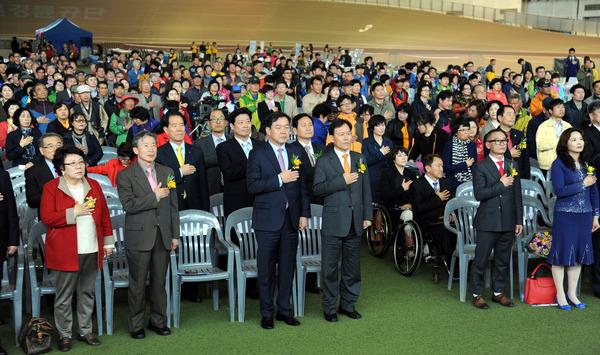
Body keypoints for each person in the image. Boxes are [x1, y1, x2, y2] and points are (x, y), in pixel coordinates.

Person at [40, 146, 113, 351]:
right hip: (65, 250)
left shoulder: (94, 185)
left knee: (87, 292)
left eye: (81, 162)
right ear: (62, 168)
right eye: (73, 164)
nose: (79, 167)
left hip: (91, 247)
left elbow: (105, 216)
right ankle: (64, 334)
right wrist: (74, 212)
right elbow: (47, 217)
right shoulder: (51, 187)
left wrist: (108, 242)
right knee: (64, 296)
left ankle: (85, 330)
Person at [246, 112, 310, 329]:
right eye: (279, 127)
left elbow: (302, 186)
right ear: (268, 131)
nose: (284, 131)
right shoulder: (257, 153)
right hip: (267, 220)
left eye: (286, 127)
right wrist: (278, 180)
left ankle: (284, 310)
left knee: (287, 268)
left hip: (291, 220)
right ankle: (267, 313)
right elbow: (252, 186)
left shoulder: (294, 150)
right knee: (265, 270)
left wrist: (303, 213)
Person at [116, 131, 179, 339]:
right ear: (135, 150)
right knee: (138, 283)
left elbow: (172, 206)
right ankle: (136, 325)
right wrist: (154, 197)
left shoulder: (167, 171)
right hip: (139, 237)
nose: (151, 149)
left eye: (153, 145)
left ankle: (158, 321)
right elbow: (129, 205)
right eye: (146, 145)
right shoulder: (125, 175)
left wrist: (174, 234)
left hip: (163, 235)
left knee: (160, 282)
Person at [313, 119, 373, 322]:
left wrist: (367, 216)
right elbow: (318, 189)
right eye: (341, 134)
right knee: (330, 268)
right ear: (332, 137)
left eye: (348, 133)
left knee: (352, 268)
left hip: (356, 221)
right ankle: (329, 308)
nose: (346, 137)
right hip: (333, 222)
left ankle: (348, 304)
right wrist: (341, 181)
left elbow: (366, 189)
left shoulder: (359, 157)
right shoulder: (324, 160)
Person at [471, 129, 523, 309]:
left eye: (504, 140)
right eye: (497, 140)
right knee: (481, 259)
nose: (502, 143)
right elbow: (480, 194)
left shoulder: (512, 164)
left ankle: (498, 292)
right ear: (487, 145)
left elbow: (517, 195)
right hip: (487, 221)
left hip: (508, 220)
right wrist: (501, 184)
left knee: (502, 260)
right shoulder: (480, 166)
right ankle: (477, 294)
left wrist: (519, 220)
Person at [549, 128, 599, 310]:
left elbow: (594, 192)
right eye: (574, 139)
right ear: (565, 143)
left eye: (581, 139)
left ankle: (572, 293)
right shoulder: (559, 164)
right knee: (561, 255)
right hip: (565, 215)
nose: (579, 142)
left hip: (585, 216)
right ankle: (560, 294)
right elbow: (560, 191)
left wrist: (596, 216)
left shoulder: (587, 164)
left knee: (578, 256)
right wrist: (582, 184)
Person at [411, 154, 454, 279]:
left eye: (442, 165)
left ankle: (463, 265)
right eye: (438, 166)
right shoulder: (417, 185)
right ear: (428, 168)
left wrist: (450, 213)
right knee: (445, 232)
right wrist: (437, 198)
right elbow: (418, 208)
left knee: (461, 231)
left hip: (446, 219)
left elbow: (451, 201)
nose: (441, 168)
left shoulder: (446, 182)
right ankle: (453, 267)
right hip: (427, 222)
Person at [156, 111, 209, 212]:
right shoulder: (159, 154)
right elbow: (161, 182)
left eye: (181, 125)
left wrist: (206, 211)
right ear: (166, 130)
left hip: (195, 206)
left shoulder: (196, 152)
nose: (179, 129)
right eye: (174, 126)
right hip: (172, 207)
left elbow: (203, 185)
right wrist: (180, 172)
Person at [216, 108, 260, 217]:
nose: (245, 125)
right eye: (241, 122)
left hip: (260, 200)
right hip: (237, 201)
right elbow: (229, 173)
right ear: (232, 126)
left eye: (248, 121)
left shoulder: (260, 145)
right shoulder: (224, 147)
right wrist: (253, 165)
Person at [194, 109, 228, 196]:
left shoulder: (234, 141)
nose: (218, 122)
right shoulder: (199, 144)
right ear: (208, 123)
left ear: (226, 122)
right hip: (209, 190)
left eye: (220, 119)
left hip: (233, 190)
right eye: (214, 119)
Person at [25, 133, 62, 210]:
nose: (56, 149)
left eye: (58, 145)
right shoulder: (33, 172)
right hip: (49, 213)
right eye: (50, 146)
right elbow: (32, 202)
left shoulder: (75, 165)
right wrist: (57, 194)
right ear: (41, 151)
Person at [536, 99, 572, 173]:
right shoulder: (543, 126)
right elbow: (540, 145)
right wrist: (559, 140)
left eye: (563, 107)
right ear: (550, 111)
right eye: (558, 107)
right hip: (548, 166)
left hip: (566, 164)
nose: (561, 109)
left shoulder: (568, 126)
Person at [362, 115, 393, 201]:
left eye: (383, 125)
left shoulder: (388, 141)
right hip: (372, 178)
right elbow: (365, 162)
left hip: (386, 178)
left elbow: (391, 160)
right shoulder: (366, 143)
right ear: (372, 127)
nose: (381, 128)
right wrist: (380, 153)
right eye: (378, 125)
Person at [495, 105, 530, 179]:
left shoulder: (520, 135)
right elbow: (490, 159)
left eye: (514, 114)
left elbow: (525, 160)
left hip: (518, 177)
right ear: (500, 118)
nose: (513, 117)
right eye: (509, 114)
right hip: (499, 177)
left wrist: (526, 179)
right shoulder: (492, 136)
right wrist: (509, 154)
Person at [442, 118, 477, 189]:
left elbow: (474, 165)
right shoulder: (449, 145)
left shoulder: (472, 145)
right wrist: (464, 165)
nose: (466, 132)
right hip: (452, 181)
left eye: (468, 129)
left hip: (470, 181)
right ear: (456, 131)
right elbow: (445, 168)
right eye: (463, 130)